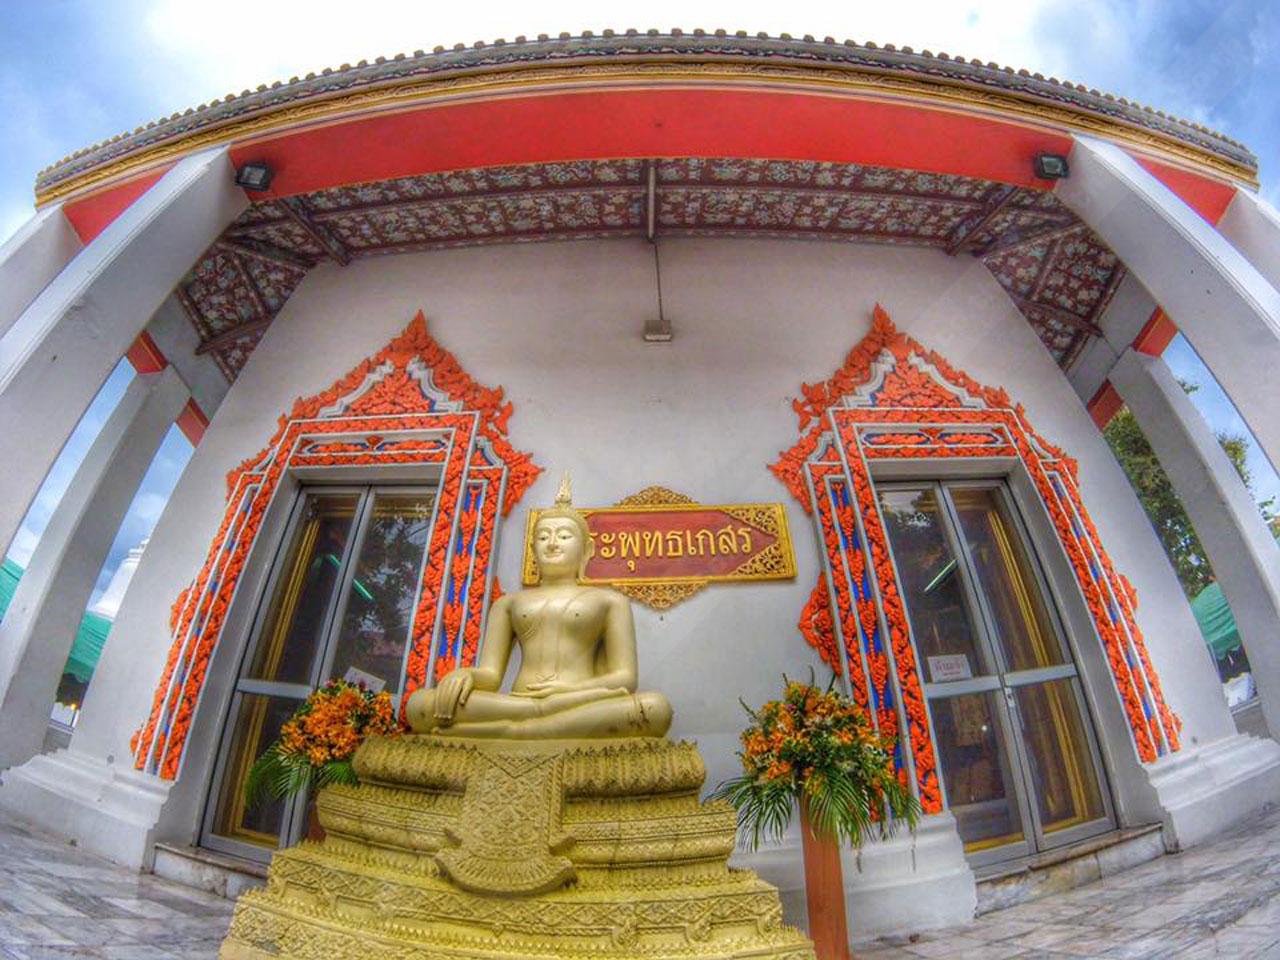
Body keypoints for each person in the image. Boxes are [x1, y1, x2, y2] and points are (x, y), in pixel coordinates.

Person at [405, 475, 672, 739]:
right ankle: (536, 722)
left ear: (587, 550)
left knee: (654, 709)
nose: (553, 543)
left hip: (577, 701)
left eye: (564, 536)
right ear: (533, 549)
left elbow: (625, 678)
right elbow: (491, 675)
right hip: (518, 701)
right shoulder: (509, 603)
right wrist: (468, 675)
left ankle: (512, 730)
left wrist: (565, 694)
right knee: (420, 706)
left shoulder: (609, 601)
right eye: (543, 537)